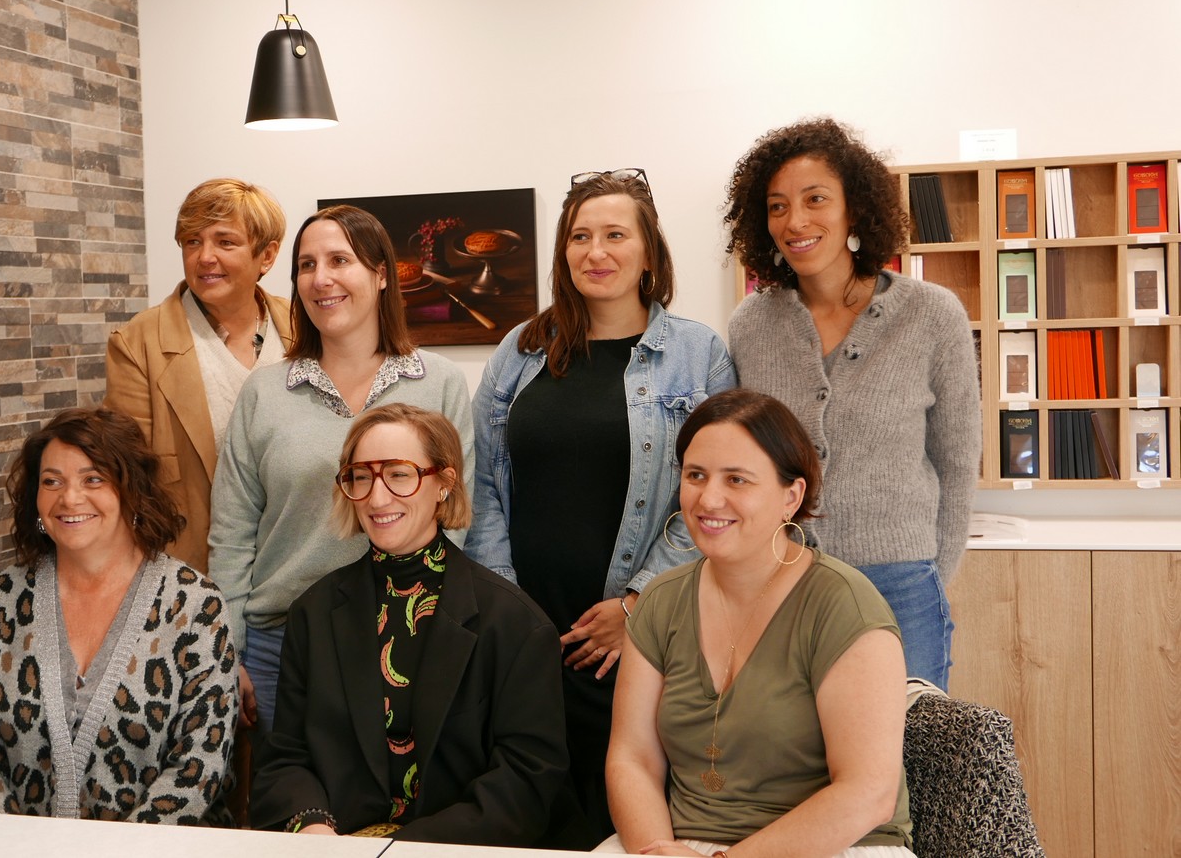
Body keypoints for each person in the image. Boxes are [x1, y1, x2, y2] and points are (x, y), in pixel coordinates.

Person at [466, 169, 736, 844]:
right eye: (580, 237)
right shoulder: (521, 350)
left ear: (649, 251)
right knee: (531, 814)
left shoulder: (697, 354)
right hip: (528, 633)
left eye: (616, 235)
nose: (596, 252)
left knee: (629, 813)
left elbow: (713, 498)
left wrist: (637, 604)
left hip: (642, 635)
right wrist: (508, 605)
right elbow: (484, 483)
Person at [724, 118, 980, 690]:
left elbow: (958, 461)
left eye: (816, 199)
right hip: (782, 580)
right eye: (777, 206)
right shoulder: (751, 325)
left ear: (854, 211)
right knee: (792, 743)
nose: (795, 221)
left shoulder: (932, 315)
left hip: (900, 585)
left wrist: (934, 573)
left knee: (906, 741)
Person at [605, 389, 914, 857]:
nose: (709, 498)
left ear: (792, 496)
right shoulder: (660, 601)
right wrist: (657, 850)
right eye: (695, 475)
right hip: (681, 846)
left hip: (833, 847)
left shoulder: (844, 604)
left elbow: (868, 793)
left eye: (737, 479)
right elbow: (633, 760)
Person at [250, 404, 568, 845]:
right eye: (362, 476)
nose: (377, 498)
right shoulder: (313, 612)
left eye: (399, 474)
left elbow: (526, 783)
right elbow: (284, 758)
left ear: (444, 483)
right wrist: (314, 829)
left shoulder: (516, 624)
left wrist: (402, 849)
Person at [210, 205, 472, 733]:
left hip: (408, 633)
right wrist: (227, 653)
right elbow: (232, 534)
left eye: (339, 260)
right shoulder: (265, 392)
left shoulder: (439, 383)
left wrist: (438, 627)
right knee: (289, 785)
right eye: (306, 265)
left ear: (381, 275)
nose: (320, 279)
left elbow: (459, 519)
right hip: (280, 643)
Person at [0, 407, 237, 830]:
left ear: (132, 490)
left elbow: (198, 768)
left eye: (93, 479)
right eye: (52, 481)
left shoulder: (195, 607)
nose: (69, 498)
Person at [105, 178, 294, 573]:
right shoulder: (137, 343)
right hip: (192, 574)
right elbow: (126, 475)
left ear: (267, 255)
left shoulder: (304, 325)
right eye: (192, 242)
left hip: (296, 563)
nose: (205, 257)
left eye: (225, 242)